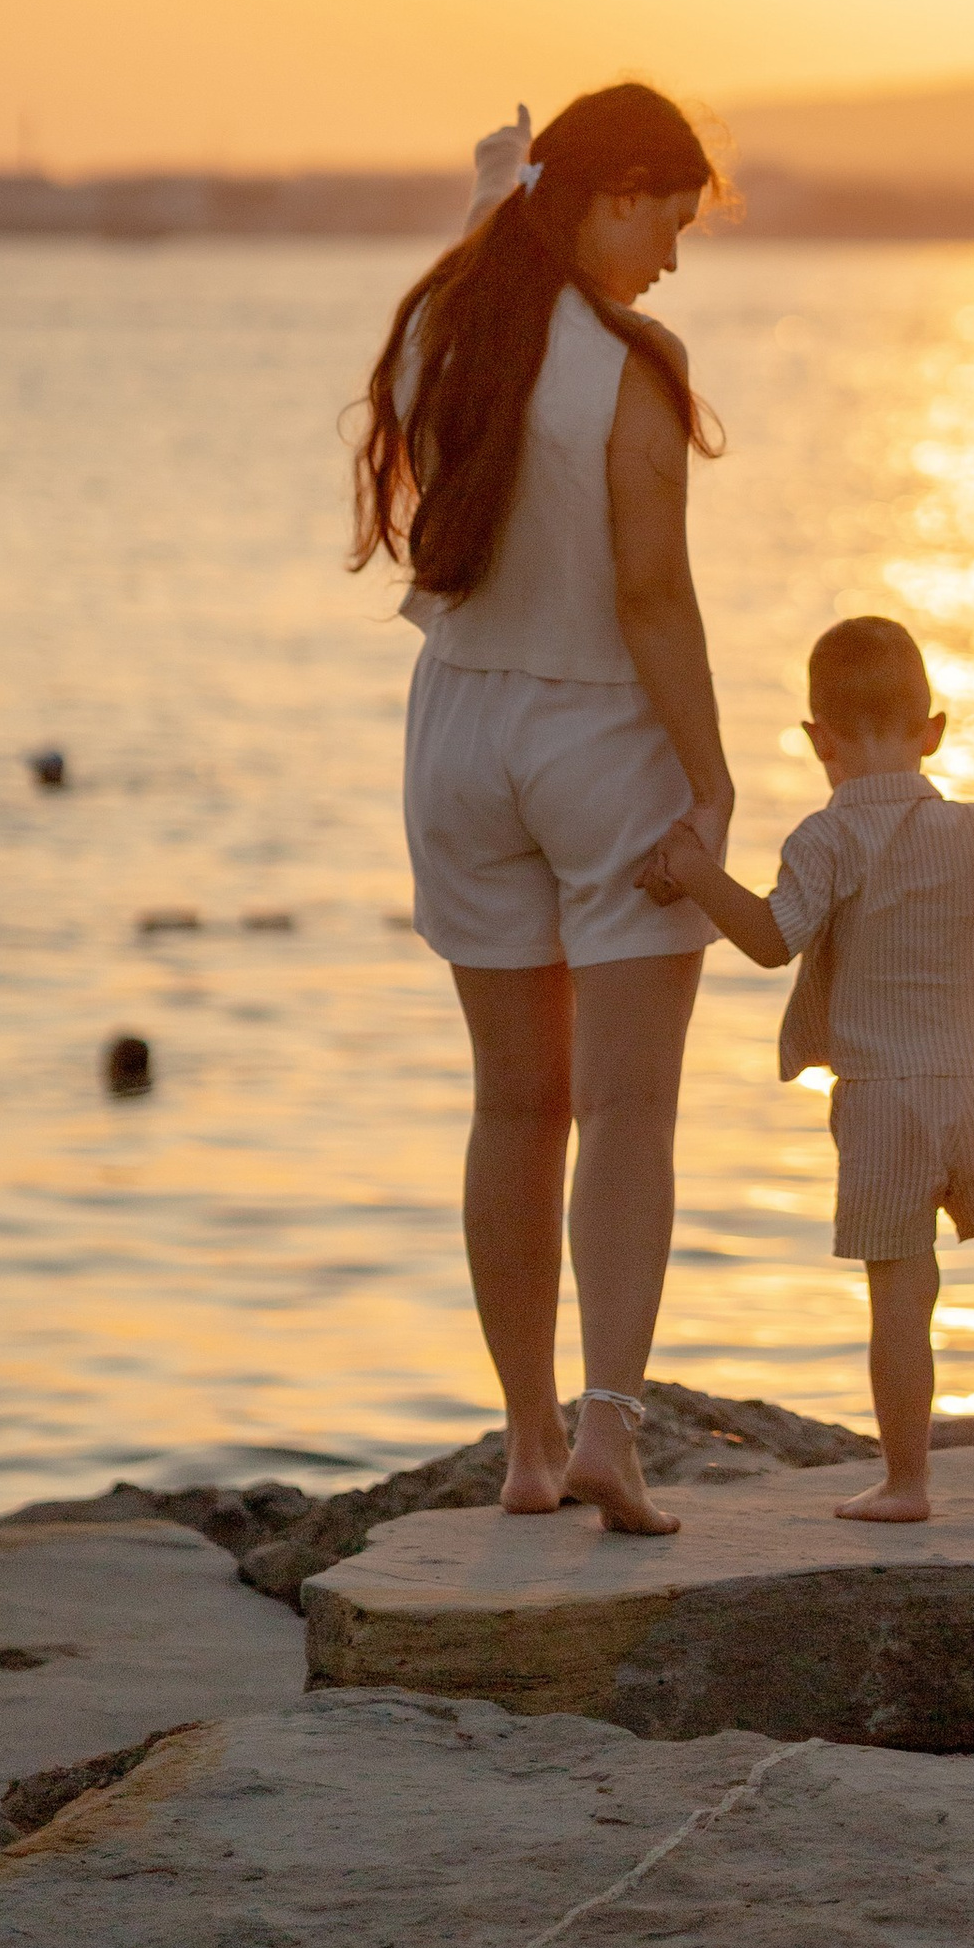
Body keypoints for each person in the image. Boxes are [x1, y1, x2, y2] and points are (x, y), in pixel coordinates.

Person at [351, 82, 733, 1535]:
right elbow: (651, 592)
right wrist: (710, 774)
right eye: (670, 222)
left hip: (456, 734)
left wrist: (500, 181)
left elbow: (492, 246)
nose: (675, 261)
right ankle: (611, 1434)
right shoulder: (633, 361)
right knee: (629, 1108)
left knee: (515, 1105)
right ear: (616, 194)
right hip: (596, 735)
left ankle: (522, 1442)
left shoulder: (446, 328)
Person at [637, 614, 974, 1524]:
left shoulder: (823, 840)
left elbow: (772, 940)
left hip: (884, 1102)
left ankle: (906, 1483)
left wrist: (694, 869)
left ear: (819, 741)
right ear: (934, 730)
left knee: (902, 1297)